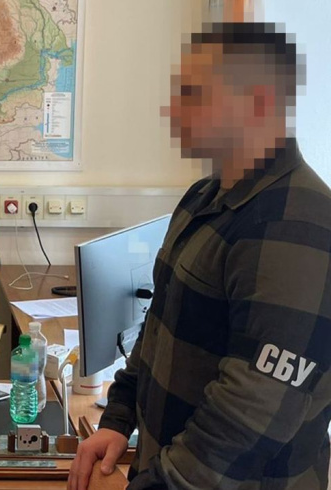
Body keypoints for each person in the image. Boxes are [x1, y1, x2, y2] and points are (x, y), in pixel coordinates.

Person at [69, 22, 331, 490]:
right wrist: (118, 419)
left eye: (194, 95)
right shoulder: (204, 197)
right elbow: (158, 326)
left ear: (259, 104)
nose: (173, 110)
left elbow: (248, 419)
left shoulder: (299, 226)